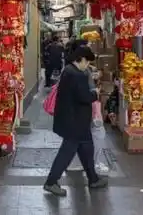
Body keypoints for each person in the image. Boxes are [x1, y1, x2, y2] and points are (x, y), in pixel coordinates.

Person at [44, 46, 108, 196]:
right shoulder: (76, 75)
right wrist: (95, 93)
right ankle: (51, 182)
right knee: (66, 153)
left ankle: (93, 178)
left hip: (75, 122)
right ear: (82, 59)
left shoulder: (68, 70)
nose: (87, 65)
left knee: (87, 149)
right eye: (87, 62)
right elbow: (84, 97)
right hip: (75, 123)